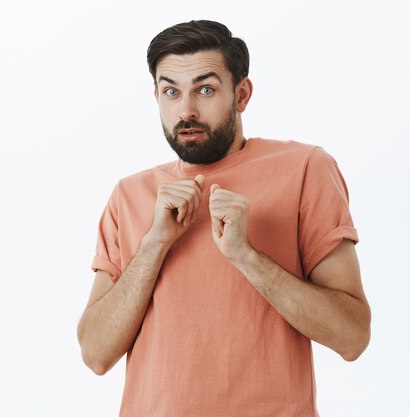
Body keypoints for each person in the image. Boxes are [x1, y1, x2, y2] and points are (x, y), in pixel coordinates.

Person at [76, 20, 371, 417]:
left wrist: (246, 256)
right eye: (171, 91)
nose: (186, 110)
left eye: (206, 89)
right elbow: (95, 354)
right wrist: (154, 244)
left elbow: (351, 336)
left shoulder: (305, 169)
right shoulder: (129, 195)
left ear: (242, 94)